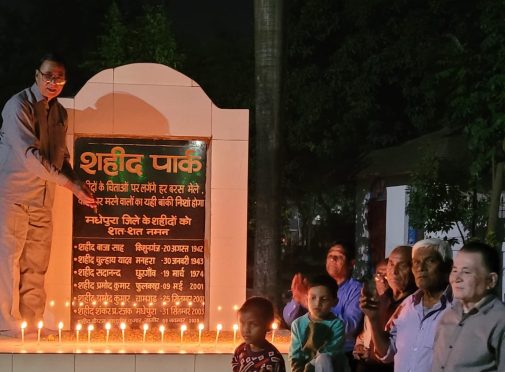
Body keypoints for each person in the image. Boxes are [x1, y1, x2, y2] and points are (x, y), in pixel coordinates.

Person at [0, 53, 96, 337]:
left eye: (60, 77)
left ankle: (32, 324)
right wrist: (71, 187)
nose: (54, 82)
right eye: (48, 76)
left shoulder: (60, 113)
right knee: (6, 262)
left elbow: (61, 158)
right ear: (37, 75)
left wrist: (79, 183)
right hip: (13, 197)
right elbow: (30, 156)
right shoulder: (18, 105)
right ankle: (4, 324)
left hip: (43, 200)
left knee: (36, 265)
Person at [360, 238, 453, 372]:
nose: (421, 268)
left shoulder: (459, 308)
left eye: (430, 261)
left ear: (448, 266)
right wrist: (374, 320)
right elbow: (387, 353)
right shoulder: (407, 306)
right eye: (416, 262)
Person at [283, 241, 363, 368]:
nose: (332, 259)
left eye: (339, 256)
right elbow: (289, 319)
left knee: (323, 359)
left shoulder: (356, 289)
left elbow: (350, 326)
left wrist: (307, 301)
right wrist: (297, 300)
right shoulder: (316, 284)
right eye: (330, 255)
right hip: (306, 355)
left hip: (339, 354)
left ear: (351, 264)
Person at [432, 241, 505, 371]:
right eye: (454, 270)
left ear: (491, 280)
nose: (456, 278)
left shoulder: (500, 321)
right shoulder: (448, 315)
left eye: (466, 272)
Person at [353, 245, 417, 372]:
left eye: (402, 265)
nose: (393, 271)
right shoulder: (381, 299)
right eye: (391, 264)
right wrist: (360, 347)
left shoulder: (415, 305)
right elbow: (365, 336)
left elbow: (389, 352)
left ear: (414, 269)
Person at [289, 274, 348, 372]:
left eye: (324, 299)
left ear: (335, 302)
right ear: (306, 298)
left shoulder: (337, 325)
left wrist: (310, 365)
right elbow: (295, 355)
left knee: (323, 358)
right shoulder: (297, 324)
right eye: (313, 298)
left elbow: (331, 351)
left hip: (331, 367)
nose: (317, 303)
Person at [232, 296, 286, 372]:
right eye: (242, 323)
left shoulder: (273, 359)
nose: (246, 329)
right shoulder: (240, 351)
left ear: (268, 326)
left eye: (253, 324)